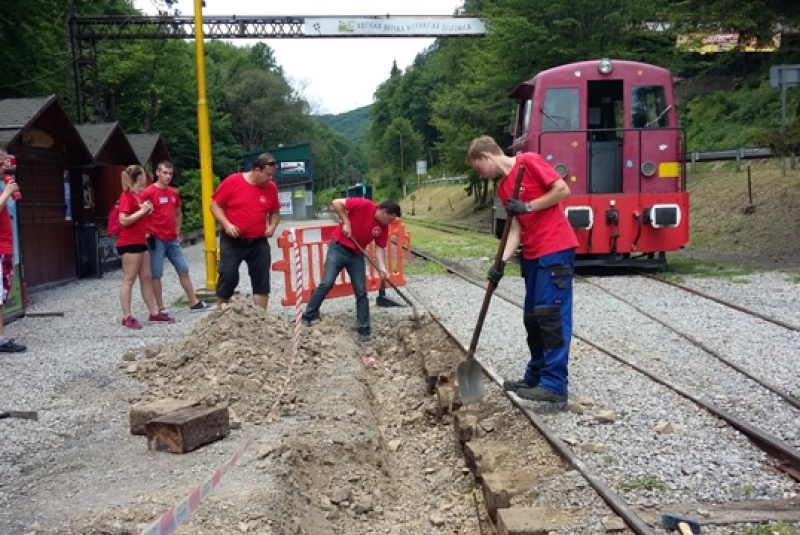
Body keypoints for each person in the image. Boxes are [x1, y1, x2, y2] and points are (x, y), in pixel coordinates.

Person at [466, 135, 578, 403]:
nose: (480, 175)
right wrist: (500, 264)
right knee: (533, 317)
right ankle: (536, 376)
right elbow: (515, 229)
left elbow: (562, 190)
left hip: (555, 249)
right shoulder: (505, 188)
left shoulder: (529, 161)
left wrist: (529, 205)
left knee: (550, 317)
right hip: (532, 255)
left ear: (486, 156)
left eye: (478, 168)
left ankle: (555, 386)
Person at [301, 197, 401, 344]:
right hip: (338, 248)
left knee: (361, 291)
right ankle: (307, 316)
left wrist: (382, 267)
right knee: (326, 283)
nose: (390, 223)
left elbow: (380, 248)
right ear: (384, 212)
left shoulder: (383, 228)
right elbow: (336, 202)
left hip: (356, 255)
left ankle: (364, 330)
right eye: (390, 219)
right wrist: (346, 222)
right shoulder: (364, 205)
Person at [210, 153, 281, 310]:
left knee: (261, 278)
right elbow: (214, 205)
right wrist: (227, 224)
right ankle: (221, 313)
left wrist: (272, 226)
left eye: (272, 175)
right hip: (233, 239)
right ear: (256, 170)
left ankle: (261, 316)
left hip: (258, 240)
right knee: (228, 274)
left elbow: (275, 212)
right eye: (268, 175)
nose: (270, 179)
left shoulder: (271, 188)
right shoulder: (233, 181)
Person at [141, 161, 211, 316]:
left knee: (183, 269)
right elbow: (139, 213)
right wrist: (145, 232)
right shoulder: (148, 192)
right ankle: (160, 307)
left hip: (172, 238)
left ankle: (194, 302)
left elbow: (178, 212)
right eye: (165, 173)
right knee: (156, 274)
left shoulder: (173, 193)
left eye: (170, 174)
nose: (167, 176)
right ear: (157, 173)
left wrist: (177, 232)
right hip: (156, 238)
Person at [116, 165, 175, 329]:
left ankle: (154, 312)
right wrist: (142, 212)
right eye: (144, 174)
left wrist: (146, 212)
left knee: (146, 278)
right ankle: (127, 316)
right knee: (129, 279)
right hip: (129, 242)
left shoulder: (138, 197)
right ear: (140, 177)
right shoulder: (127, 196)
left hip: (141, 241)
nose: (146, 176)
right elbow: (123, 220)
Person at [0, 150, 25, 352]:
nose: (4, 170)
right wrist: (7, 194)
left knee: (1, 295)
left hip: (5, 247)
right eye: (1, 165)